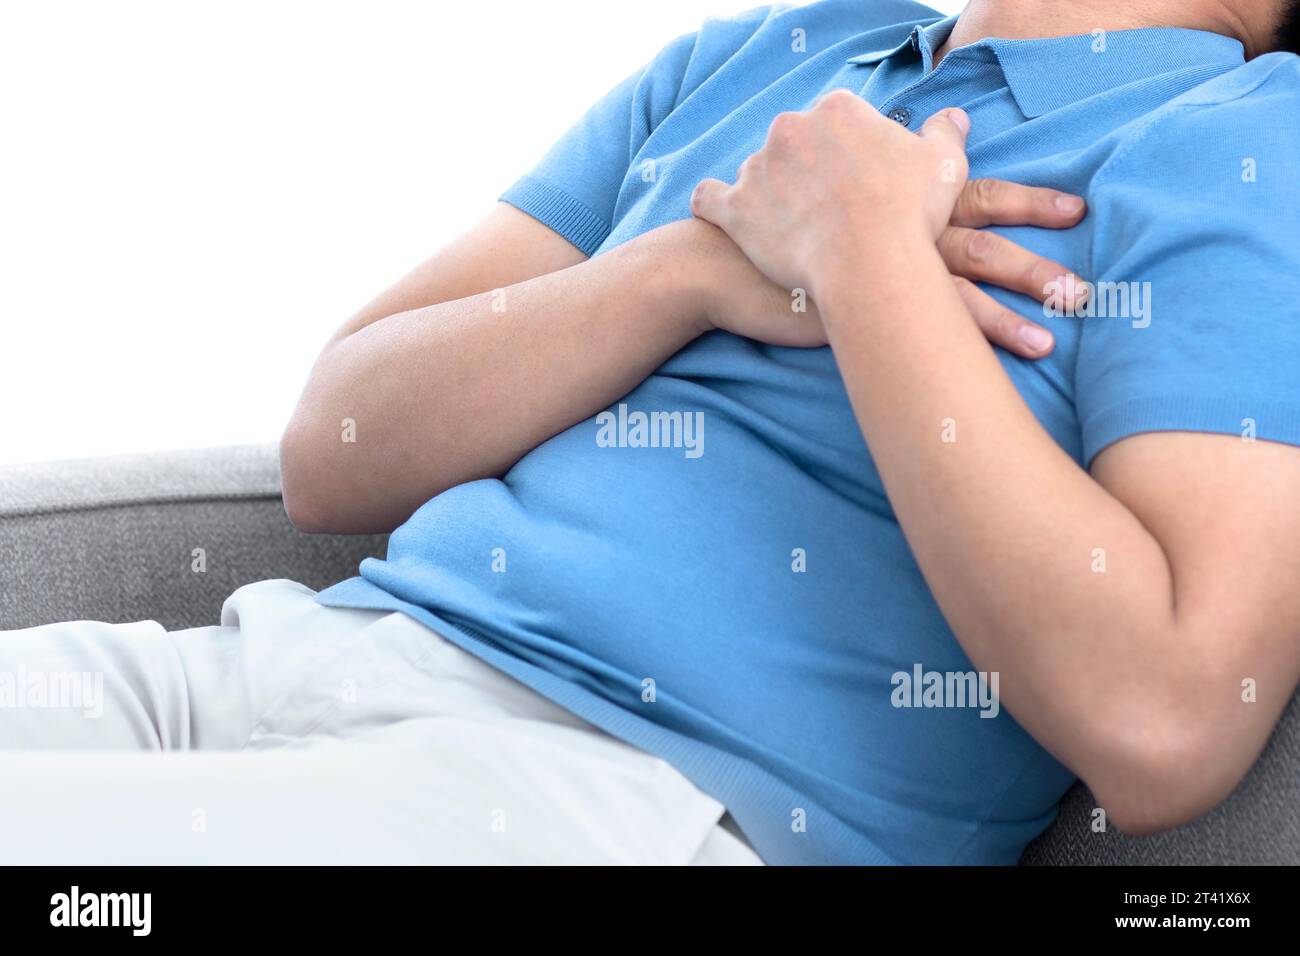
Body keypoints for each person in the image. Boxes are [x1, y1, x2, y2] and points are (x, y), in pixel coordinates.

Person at [4, 0, 1300, 865]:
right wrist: (688, 271)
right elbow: (333, 446)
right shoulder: (777, 51)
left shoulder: (1245, 143)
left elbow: (1169, 717)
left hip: (614, 801)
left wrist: (863, 258)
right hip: (291, 662)